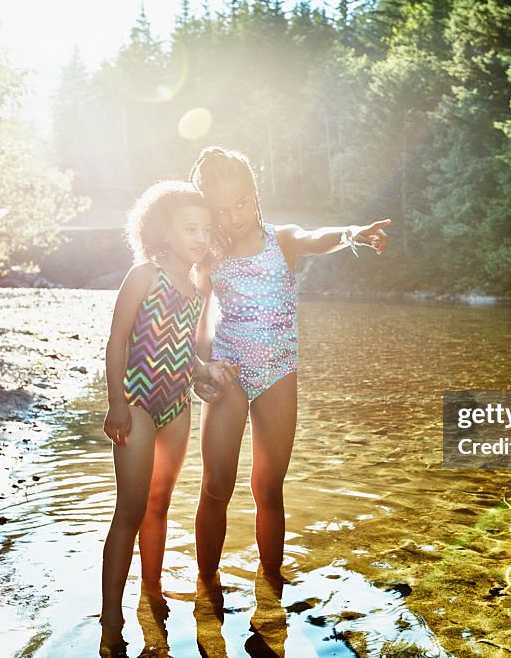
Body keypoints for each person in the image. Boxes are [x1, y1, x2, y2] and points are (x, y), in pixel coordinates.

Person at [188, 146, 390, 586]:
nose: (235, 216)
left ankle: (272, 584)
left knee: (268, 487)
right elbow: (200, 318)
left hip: (279, 373)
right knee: (216, 485)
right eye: (222, 210)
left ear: (254, 195)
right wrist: (200, 368)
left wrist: (355, 232)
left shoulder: (281, 240)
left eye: (241, 203)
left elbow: (318, 237)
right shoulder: (210, 257)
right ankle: (208, 585)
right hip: (229, 372)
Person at [99, 180, 237, 653]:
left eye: (205, 229)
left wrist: (206, 371)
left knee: (159, 504)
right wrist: (116, 402)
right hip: (135, 403)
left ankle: (151, 590)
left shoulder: (198, 285)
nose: (200, 238)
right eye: (189, 228)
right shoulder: (145, 274)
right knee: (130, 512)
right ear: (164, 231)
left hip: (177, 405)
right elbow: (117, 341)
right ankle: (111, 620)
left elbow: (181, 349)